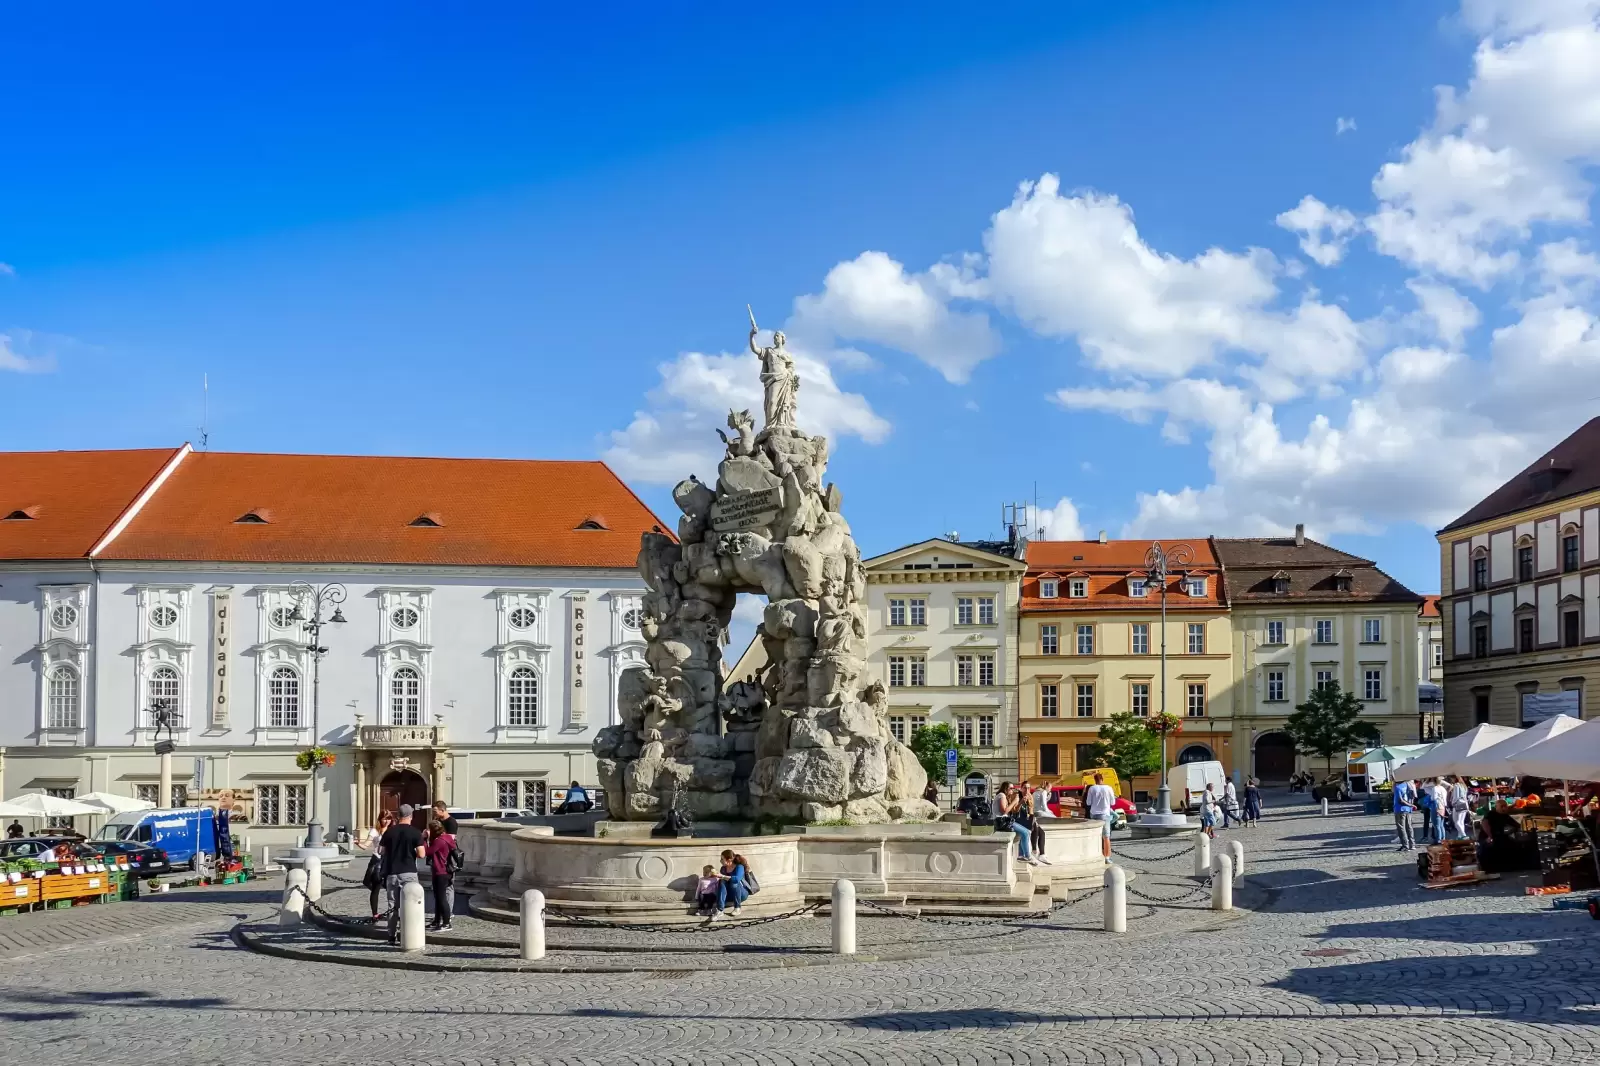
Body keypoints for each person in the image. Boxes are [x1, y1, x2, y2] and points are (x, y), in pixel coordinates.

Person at [378, 803, 426, 945]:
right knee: (411, 904)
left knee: (392, 906)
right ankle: (411, 934)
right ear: (411, 816)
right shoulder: (415, 832)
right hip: (409, 872)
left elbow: (381, 851)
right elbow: (422, 854)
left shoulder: (390, 832)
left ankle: (391, 936)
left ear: (398, 816)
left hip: (392, 872)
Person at [424, 817, 458, 931]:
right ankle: (437, 921)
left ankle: (447, 923)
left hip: (440, 872)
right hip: (446, 871)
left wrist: (424, 839)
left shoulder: (439, 841)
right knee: (438, 898)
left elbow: (427, 852)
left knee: (441, 898)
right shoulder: (447, 838)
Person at [362, 810, 396, 921]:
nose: (386, 821)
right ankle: (375, 914)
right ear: (380, 819)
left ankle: (394, 912)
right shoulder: (375, 831)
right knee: (373, 886)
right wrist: (358, 843)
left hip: (388, 860)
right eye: (384, 818)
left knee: (391, 887)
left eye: (389, 818)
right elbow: (366, 845)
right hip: (377, 859)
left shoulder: (392, 830)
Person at [996, 783, 1036, 865]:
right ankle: (1027, 856)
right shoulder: (1002, 795)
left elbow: (1031, 811)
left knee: (1029, 831)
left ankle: (1023, 855)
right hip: (1003, 821)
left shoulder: (1029, 796)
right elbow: (1005, 811)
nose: (1013, 790)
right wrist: (1017, 802)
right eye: (1011, 788)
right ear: (1006, 788)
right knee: (1025, 832)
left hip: (1006, 820)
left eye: (1029, 788)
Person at [1084, 773, 1117, 862]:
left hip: (1094, 814)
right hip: (1105, 814)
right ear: (1102, 779)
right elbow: (1113, 803)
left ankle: (1095, 855)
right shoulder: (1109, 788)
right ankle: (1107, 857)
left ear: (1095, 780)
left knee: (1095, 836)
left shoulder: (1092, 788)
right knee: (1106, 837)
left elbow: (1088, 803)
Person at [713, 849, 750, 919]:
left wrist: (723, 876)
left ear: (729, 860)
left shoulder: (739, 867)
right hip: (729, 895)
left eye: (722, 859)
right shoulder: (723, 868)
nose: (720, 861)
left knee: (734, 883)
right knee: (722, 881)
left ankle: (737, 908)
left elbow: (737, 879)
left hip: (741, 894)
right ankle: (720, 910)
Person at [1447, 776, 1471, 840]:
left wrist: (1452, 803)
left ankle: (1463, 835)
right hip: (1464, 804)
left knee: (1456, 822)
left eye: (1451, 778)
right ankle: (1460, 835)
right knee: (1461, 822)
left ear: (1455, 778)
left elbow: (1456, 796)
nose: (1451, 779)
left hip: (1458, 804)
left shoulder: (1456, 785)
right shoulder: (1464, 786)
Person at [1427, 778, 1449, 844]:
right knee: (1441, 825)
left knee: (1436, 825)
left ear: (1434, 782)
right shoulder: (1443, 789)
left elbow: (1433, 798)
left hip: (1436, 806)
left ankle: (1438, 840)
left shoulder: (1435, 788)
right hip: (1443, 807)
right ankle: (1443, 838)